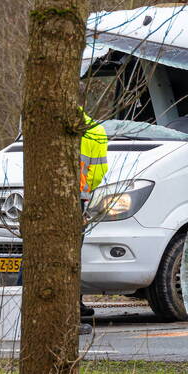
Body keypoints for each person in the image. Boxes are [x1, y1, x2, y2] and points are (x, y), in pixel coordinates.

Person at [78, 108, 108, 319]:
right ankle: (74, 303)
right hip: (78, 199)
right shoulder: (96, 131)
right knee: (72, 254)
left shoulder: (48, 125)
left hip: (45, 198)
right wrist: (85, 191)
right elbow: (99, 172)